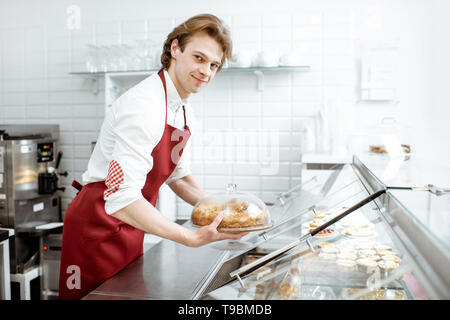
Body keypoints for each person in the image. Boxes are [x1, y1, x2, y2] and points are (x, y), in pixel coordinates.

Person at [59, 13, 247, 300]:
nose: (206, 71)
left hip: (130, 225)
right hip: (96, 226)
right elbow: (121, 197)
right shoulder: (143, 106)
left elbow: (178, 176)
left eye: (214, 65)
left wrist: (222, 212)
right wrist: (190, 237)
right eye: (198, 58)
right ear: (175, 49)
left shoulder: (184, 111)